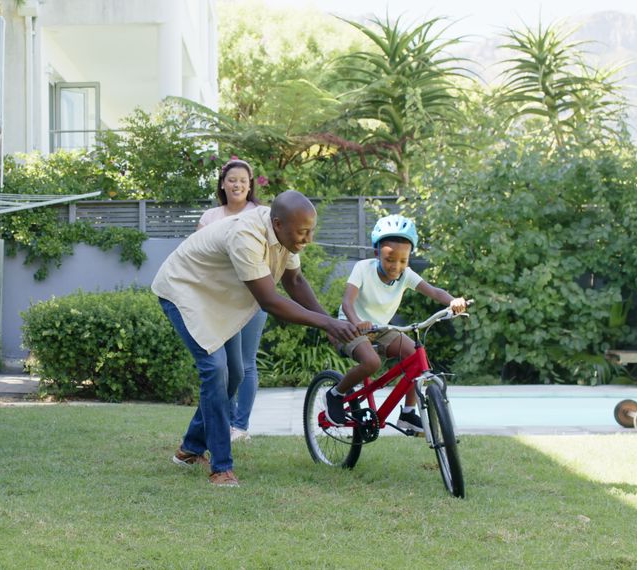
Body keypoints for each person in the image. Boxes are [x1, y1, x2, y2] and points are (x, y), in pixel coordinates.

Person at [153, 190, 358, 487]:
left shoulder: (286, 235)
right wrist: (327, 323)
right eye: (303, 232)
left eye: (311, 231)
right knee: (215, 371)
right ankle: (221, 468)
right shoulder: (246, 236)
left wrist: (330, 324)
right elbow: (269, 300)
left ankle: (190, 449)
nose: (308, 239)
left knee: (234, 374)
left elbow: (295, 281)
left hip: (217, 297)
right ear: (278, 224)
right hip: (185, 290)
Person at [325, 214, 468, 431]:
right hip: (349, 327)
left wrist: (453, 301)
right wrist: (357, 323)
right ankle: (336, 393)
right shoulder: (363, 268)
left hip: (381, 329)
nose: (396, 266)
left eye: (403, 260)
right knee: (372, 363)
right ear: (377, 254)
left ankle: (408, 413)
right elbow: (347, 303)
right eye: (390, 259)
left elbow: (434, 291)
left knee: (415, 356)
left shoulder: (405, 275)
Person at [196, 159, 265, 443]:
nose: (237, 185)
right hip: (219, 301)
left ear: (250, 186)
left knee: (246, 363)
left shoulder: (260, 214)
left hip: (252, 297)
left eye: (243, 181)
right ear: (223, 184)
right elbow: (199, 259)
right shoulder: (209, 217)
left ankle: (240, 426)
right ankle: (224, 420)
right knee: (226, 364)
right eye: (232, 179)